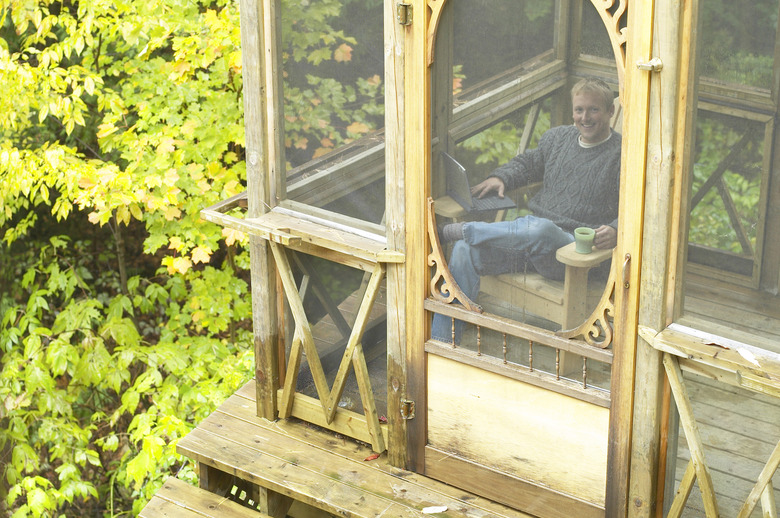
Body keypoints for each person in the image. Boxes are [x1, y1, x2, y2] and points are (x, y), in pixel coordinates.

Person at [432, 77, 621, 344]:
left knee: (541, 227)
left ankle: (459, 230)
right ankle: (444, 342)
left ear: (610, 111)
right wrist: (503, 178)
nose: (585, 117)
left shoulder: (622, 154)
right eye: (579, 110)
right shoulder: (558, 138)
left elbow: (637, 208)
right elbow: (528, 163)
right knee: (464, 250)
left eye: (594, 109)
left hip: (571, 255)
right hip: (528, 245)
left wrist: (616, 229)